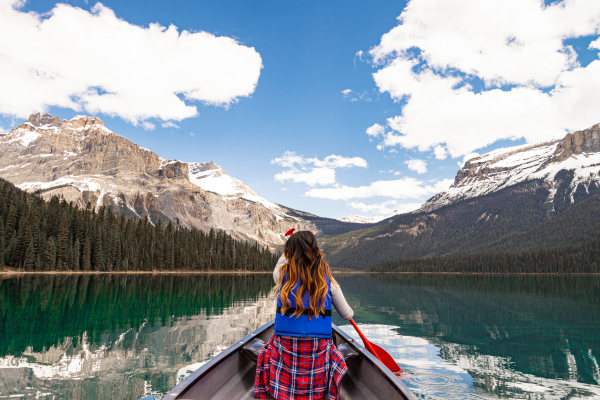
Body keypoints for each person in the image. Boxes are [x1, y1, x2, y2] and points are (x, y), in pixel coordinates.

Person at [254, 230, 354, 400]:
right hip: (317, 354)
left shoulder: (281, 276)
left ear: (288, 253)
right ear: (315, 251)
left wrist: (289, 248)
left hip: (286, 351)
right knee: (335, 350)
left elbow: (280, 264)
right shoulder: (327, 280)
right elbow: (347, 314)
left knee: (266, 348)